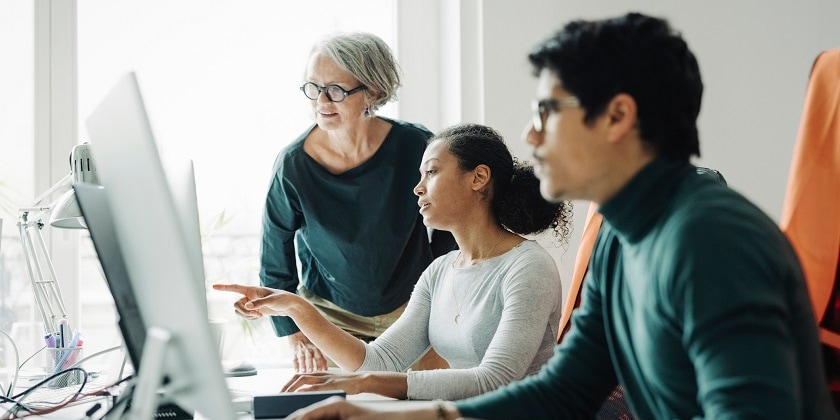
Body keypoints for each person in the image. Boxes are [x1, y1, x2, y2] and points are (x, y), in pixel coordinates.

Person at [285, 12, 838, 419]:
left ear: (617, 116)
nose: (530, 136)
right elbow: (565, 390)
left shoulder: (711, 240)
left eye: (547, 111)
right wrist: (396, 412)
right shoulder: (620, 239)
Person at [215, 123, 572, 400]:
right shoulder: (439, 272)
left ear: (478, 178)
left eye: (432, 172)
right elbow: (377, 360)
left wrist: (365, 383)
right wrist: (295, 307)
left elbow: (495, 380)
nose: (418, 187)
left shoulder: (528, 267)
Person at [257, 32, 453, 372]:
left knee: (427, 398)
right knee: (338, 400)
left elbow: (451, 224)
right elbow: (276, 257)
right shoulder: (293, 165)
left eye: (335, 90)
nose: (321, 101)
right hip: (330, 318)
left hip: (412, 311)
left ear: (372, 92)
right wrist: (294, 333)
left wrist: (438, 299)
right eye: (313, 87)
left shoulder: (416, 146)